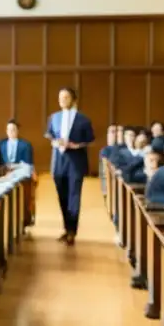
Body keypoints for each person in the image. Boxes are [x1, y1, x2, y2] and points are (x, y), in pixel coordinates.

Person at [45, 86, 95, 245]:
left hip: (75, 160)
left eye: (65, 97)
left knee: (74, 196)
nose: (62, 100)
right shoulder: (54, 117)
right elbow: (49, 133)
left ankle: (72, 231)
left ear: (73, 100)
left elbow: (90, 139)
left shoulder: (83, 119)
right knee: (62, 196)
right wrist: (54, 141)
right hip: (58, 160)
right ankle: (66, 228)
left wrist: (76, 145)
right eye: (60, 97)